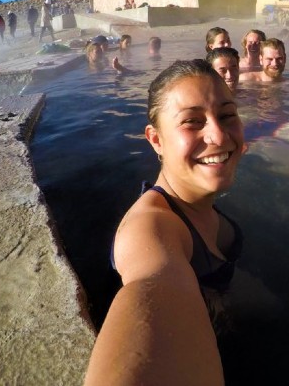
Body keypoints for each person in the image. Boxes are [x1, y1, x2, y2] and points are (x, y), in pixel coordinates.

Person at [85, 60, 245, 386]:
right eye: (191, 122)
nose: (218, 134)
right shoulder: (151, 228)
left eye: (227, 115)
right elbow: (154, 283)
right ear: (156, 140)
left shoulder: (196, 201)